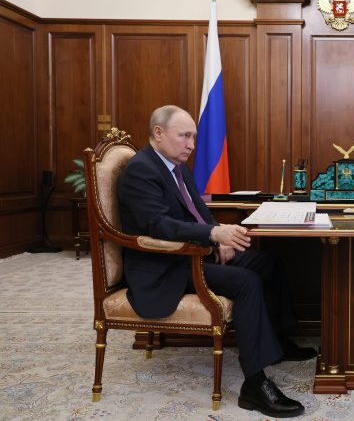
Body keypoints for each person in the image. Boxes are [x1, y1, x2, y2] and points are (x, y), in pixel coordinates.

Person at [117, 104, 316, 418]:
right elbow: (158, 225)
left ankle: (276, 342)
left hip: (190, 255)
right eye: (184, 136)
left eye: (194, 137)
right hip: (164, 267)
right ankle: (255, 385)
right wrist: (212, 235)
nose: (192, 145)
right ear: (158, 133)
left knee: (267, 263)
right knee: (246, 282)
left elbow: (197, 212)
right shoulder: (141, 170)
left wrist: (217, 237)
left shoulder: (178, 167)